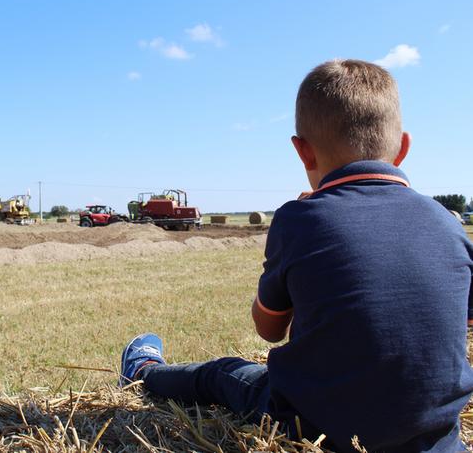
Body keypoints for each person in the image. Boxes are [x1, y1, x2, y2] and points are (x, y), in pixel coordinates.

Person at [119, 59, 473, 452]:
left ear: (302, 152)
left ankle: (143, 373)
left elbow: (268, 330)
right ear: (404, 148)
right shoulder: (448, 223)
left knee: (222, 375)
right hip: (437, 440)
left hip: (313, 426)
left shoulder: (299, 219)